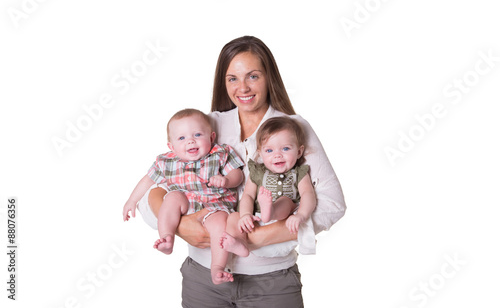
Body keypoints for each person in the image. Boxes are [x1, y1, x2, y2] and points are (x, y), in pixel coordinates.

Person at [138, 35, 346, 307]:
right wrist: (182, 227)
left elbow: (333, 204)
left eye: (253, 76)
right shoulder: (207, 124)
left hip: (270, 280)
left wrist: (259, 237)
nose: (243, 88)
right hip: (202, 279)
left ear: (268, 77)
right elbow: (153, 190)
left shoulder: (293, 128)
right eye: (232, 78)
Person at [122, 108, 245, 284]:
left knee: (220, 225)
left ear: (211, 137)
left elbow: (237, 175)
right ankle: (167, 237)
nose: (190, 141)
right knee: (171, 198)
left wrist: (226, 180)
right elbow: (148, 180)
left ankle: (217, 267)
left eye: (197, 134)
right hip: (184, 202)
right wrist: (132, 200)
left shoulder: (219, 153)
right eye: (182, 138)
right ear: (171, 146)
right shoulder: (166, 161)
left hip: (214, 204)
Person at [220, 116, 317, 258]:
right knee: (234, 217)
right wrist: (245, 215)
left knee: (286, 201)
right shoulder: (258, 171)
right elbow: (248, 196)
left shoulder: (298, 173)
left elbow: (308, 195)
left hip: (282, 220)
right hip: (254, 219)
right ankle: (240, 243)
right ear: (260, 153)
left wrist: (301, 215)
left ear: (299, 152)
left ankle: (270, 210)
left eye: (285, 148)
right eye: (269, 151)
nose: (277, 155)